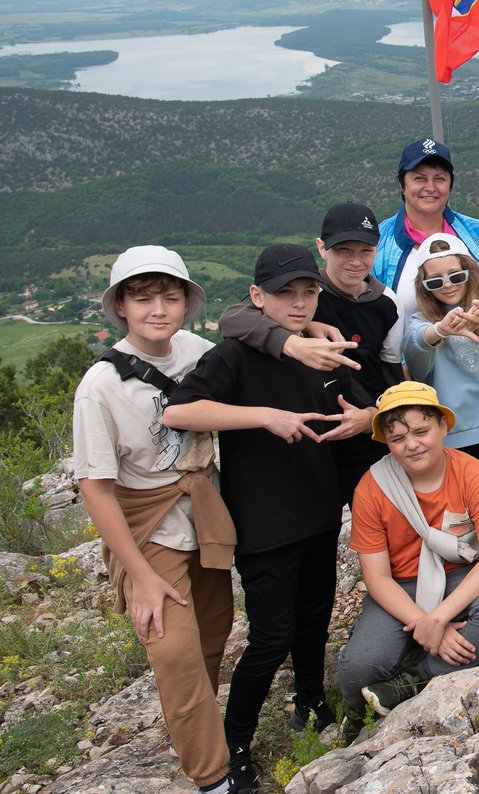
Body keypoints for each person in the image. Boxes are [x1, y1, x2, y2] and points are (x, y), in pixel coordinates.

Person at [164, 244, 376, 791]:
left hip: (318, 511)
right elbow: (180, 410)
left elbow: (366, 404)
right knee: (270, 635)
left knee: (314, 617)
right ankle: (235, 740)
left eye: (308, 292)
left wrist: (365, 419)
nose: (299, 303)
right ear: (258, 297)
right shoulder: (234, 355)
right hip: (263, 523)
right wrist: (262, 417)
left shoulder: (320, 350)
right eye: (286, 294)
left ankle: (309, 699)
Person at [73, 246, 238, 794]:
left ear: (187, 304)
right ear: (121, 305)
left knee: (214, 630)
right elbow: (96, 488)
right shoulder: (100, 386)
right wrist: (140, 575)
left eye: (170, 297)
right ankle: (213, 776)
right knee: (174, 650)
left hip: (205, 511)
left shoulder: (195, 350)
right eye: (143, 298)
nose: (158, 310)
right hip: (149, 522)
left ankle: (200, 726)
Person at [336, 382, 479, 730]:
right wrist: (426, 621)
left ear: (443, 426)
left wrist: (438, 620)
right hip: (402, 584)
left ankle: (417, 676)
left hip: (462, 573)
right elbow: (376, 577)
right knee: (356, 670)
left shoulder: (472, 473)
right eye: (397, 439)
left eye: (422, 431)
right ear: (387, 442)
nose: (412, 445)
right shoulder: (372, 487)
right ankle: (357, 713)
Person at [218, 202, 406, 503]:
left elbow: (391, 372)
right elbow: (232, 318)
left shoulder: (389, 303)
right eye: (343, 250)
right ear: (322, 248)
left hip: (366, 429)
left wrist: (374, 418)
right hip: (314, 435)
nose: (355, 261)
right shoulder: (303, 289)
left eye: (365, 251)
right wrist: (294, 338)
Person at [405, 233, 479, 510]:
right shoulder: (421, 321)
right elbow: (415, 349)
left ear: (469, 272)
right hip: (453, 435)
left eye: (455, 276)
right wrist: (439, 330)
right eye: (435, 281)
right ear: (424, 287)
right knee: (466, 505)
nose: (447, 285)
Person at [374, 137, 479, 302]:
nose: (430, 187)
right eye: (419, 178)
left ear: (450, 183)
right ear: (402, 184)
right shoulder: (378, 241)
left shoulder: (477, 231)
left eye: (439, 178)